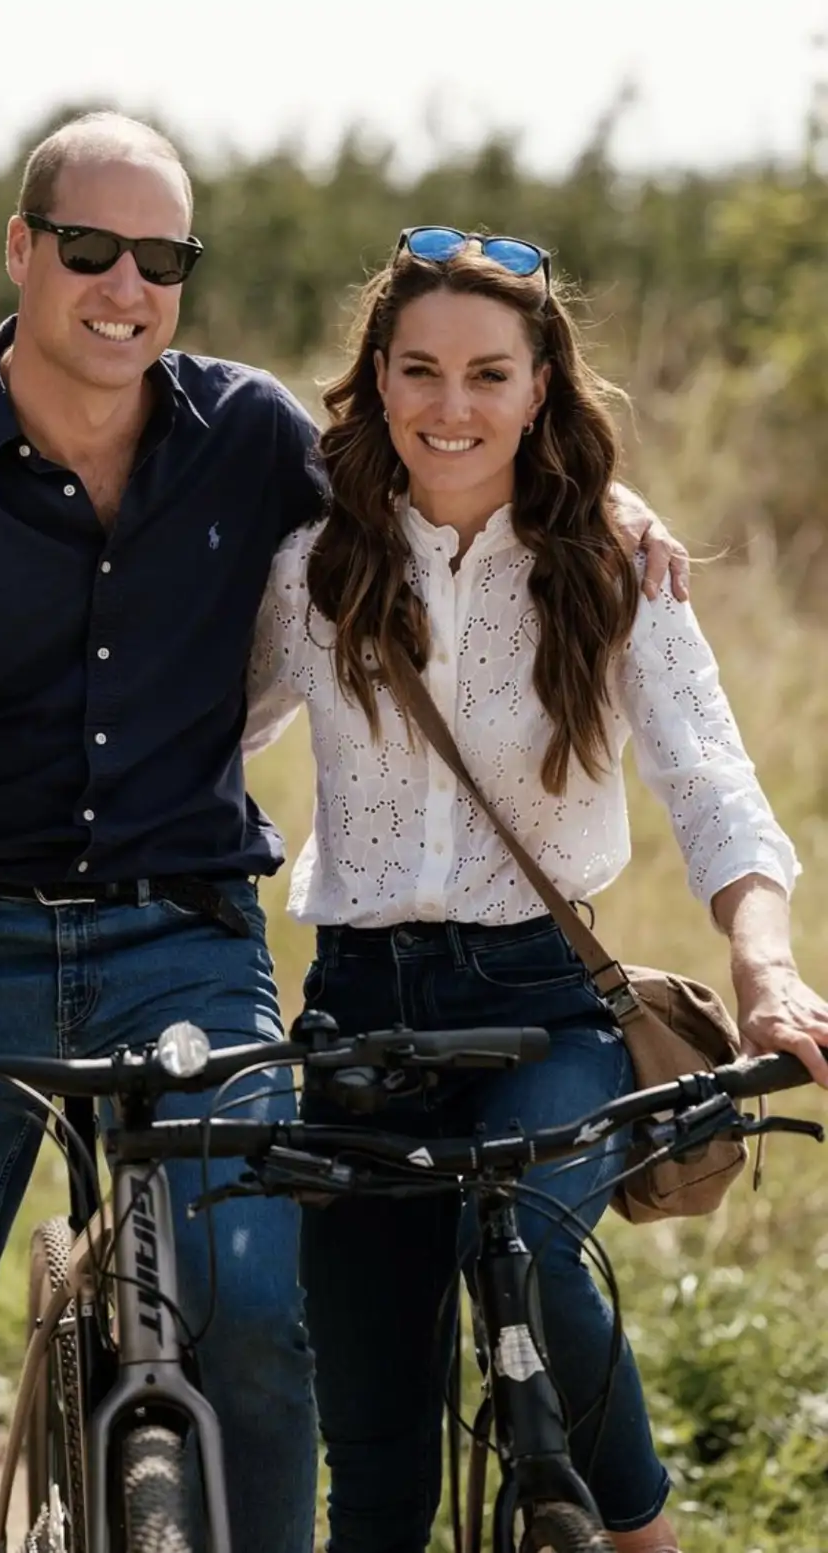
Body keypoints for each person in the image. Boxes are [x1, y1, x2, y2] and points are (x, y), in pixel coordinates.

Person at [0, 107, 685, 1553]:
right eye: (90, 248)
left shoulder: (246, 440)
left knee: (258, 1330)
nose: (126, 286)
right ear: (21, 247)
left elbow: (442, 463)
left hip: (188, 946)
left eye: (161, 256)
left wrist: (596, 490)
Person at [237, 232, 827, 1552]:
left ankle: (639, 1533)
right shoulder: (314, 570)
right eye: (422, 370)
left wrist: (768, 970)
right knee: (376, 1469)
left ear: (540, 387)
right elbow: (195, 737)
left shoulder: (615, 568)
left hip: (545, 1005)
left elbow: (713, 783)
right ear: (378, 381)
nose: (453, 407)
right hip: (360, 1011)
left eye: (489, 374)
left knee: (537, 1239)